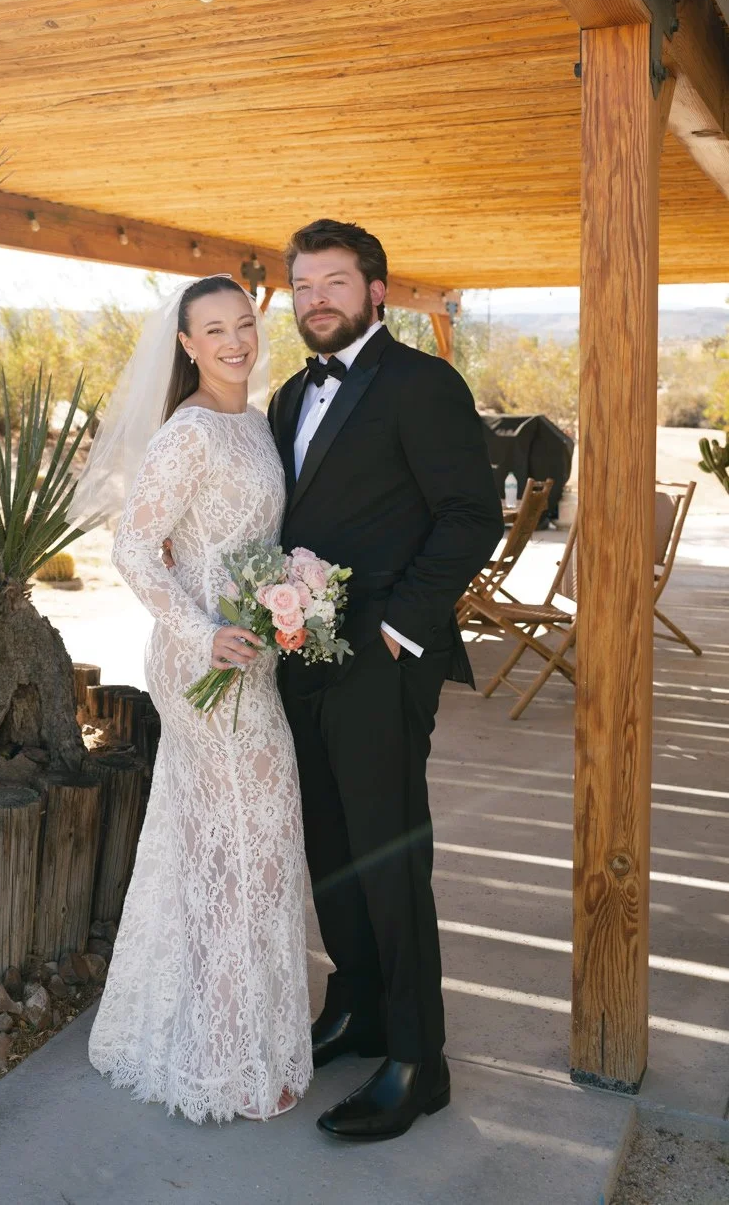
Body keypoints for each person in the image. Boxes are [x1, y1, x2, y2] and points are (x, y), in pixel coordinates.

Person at [268, 219, 503, 1141]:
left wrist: (403, 631)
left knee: (391, 854)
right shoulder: (289, 396)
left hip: (383, 665)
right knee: (330, 845)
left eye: (334, 281)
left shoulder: (423, 384)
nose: (316, 298)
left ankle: (418, 1058)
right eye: (303, 284)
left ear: (376, 290)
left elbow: (468, 515)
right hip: (302, 657)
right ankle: (359, 1007)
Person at [69, 275, 312, 1125]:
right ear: (187, 345)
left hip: (255, 662)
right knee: (239, 847)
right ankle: (220, 1058)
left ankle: (241, 1037)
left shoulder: (255, 422)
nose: (235, 341)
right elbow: (134, 548)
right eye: (214, 330)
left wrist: (295, 598)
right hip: (204, 667)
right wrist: (200, 629)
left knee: (256, 844)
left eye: (243, 323)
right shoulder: (190, 432)